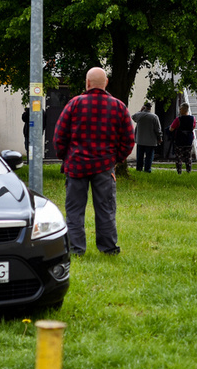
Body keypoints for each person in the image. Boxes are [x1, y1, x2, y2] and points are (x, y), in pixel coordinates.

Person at [53, 67, 135, 256]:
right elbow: (129, 140)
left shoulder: (74, 104)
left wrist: (65, 157)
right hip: (104, 166)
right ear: (105, 83)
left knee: (74, 211)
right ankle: (108, 249)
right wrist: (116, 159)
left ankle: (75, 249)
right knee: (105, 209)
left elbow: (59, 136)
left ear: (87, 83)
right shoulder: (119, 107)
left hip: (76, 166)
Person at [132, 101, 162, 173]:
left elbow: (133, 117)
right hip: (151, 140)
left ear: (144, 107)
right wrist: (160, 138)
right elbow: (158, 129)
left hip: (140, 139)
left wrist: (140, 110)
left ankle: (139, 169)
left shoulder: (139, 115)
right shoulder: (154, 117)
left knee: (140, 156)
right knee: (149, 156)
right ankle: (147, 169)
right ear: (150, 108)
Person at [168, 102, 195, 174]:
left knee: (179, 157)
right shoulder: (193, 119)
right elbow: (193, 127)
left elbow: (171, 129)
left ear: (182, 110)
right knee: (188, 157)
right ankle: (188, 171)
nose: (179, 110)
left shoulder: (178, 119)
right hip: (189, 140)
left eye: (180, 109)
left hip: (179, 140)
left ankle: (179, 171)